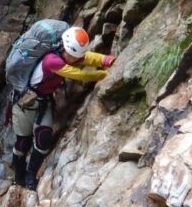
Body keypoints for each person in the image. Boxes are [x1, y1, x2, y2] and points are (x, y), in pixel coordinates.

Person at [10, 26, 114, 190]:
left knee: (43, 138)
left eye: (75, 56)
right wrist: (104, 74)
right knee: (23, 142)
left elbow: (85, 57)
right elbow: (79, 74)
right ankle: (18, 175)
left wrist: (106, 60)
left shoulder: (67, 54)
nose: (74, 59)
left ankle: (31, 174)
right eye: (73, 56)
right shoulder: (53, 60)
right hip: (24, 103)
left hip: (43, 102)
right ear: (66, 49)